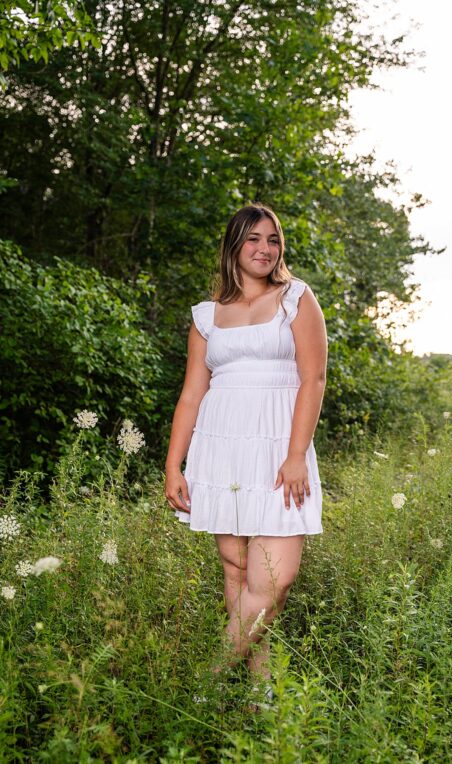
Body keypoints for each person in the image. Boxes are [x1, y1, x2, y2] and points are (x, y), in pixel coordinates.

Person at [163, 203, 328, 694]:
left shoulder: (296, 298)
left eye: (273, 239)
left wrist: (296, 455)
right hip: (222, 450)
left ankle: (204, 685)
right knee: (238, 577)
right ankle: (262, 701)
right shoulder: (206, 316)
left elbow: (313, 379)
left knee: (273, 581)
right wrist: (174, 465)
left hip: (280, 451)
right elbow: (192, 394)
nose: (264, 249)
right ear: (233, 246)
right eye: (253, 239)